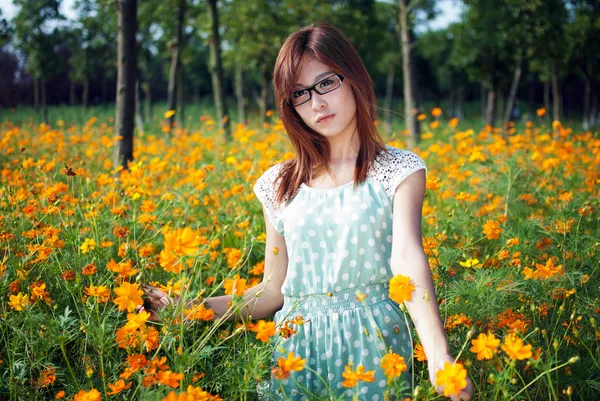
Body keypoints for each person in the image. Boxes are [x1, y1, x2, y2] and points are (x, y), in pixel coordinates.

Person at [140, 23, 473, 401]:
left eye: (326, 83)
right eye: (299, 93)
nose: (316, 103)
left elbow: (407, 258)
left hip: (375, 348)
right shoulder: (278, 184)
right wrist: (191, 309)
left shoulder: (398, 171)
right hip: (297, 355)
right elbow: (272, 291)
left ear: (354, 78)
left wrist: (438, 354)